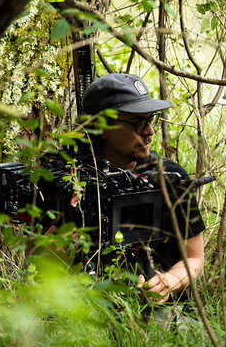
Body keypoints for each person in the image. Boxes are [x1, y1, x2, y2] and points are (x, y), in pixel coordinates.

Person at [82, 73, 205, 304]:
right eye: (138, 122)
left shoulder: (170, 178)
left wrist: (169, 281)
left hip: (162, 314)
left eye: (151, 120)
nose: (150, 131)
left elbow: (195, 258)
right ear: (102, 126)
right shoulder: (72, 182)